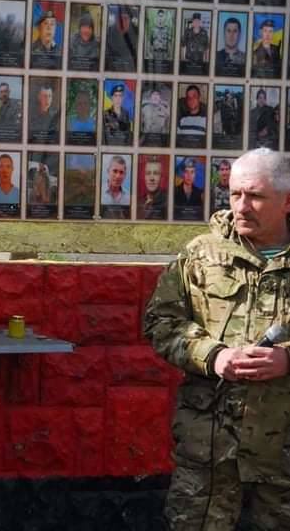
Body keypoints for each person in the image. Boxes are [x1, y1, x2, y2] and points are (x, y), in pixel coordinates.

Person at [146, 148, 290, 527]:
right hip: (210, 451)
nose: (242, 206)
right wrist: (214, 356)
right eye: (235, 194)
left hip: (283, 455)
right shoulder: (201, 256)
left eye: (256, 196)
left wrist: (287, 360)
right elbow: (162, 322)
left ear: (287, 200)